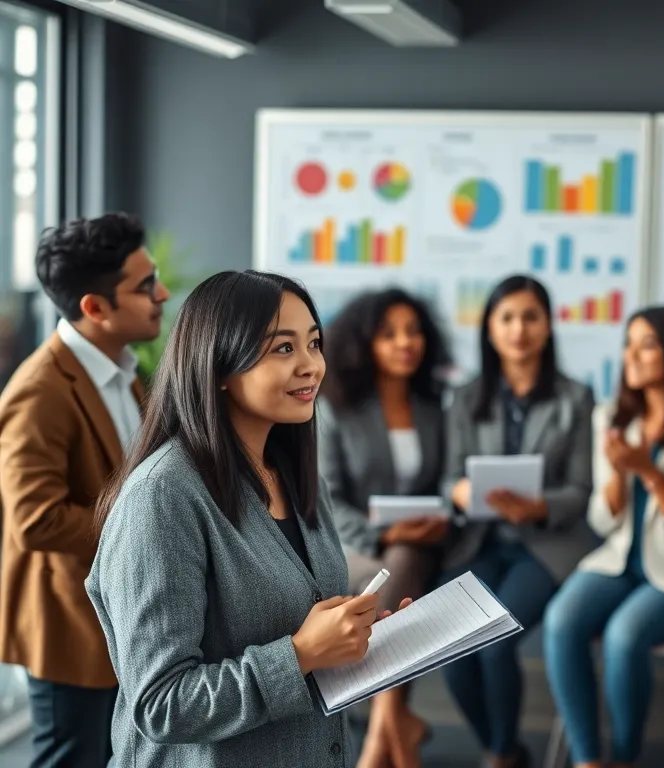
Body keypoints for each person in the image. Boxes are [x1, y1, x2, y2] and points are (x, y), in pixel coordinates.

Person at [85, 270, 409, 767]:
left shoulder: (299, 479)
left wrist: (357, 636)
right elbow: (162, 705)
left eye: (314, 344)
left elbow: (303, 630)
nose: (311, 366)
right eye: (283, 349)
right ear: (218, 366)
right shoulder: (162, 497)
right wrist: (301, 653)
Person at [0, 213, 169, 768]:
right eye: (145, 287)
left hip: (120, 614)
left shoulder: (124, 368)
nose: (162, 293)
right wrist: (141, 532)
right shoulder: (40, 391)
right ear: (95, 308)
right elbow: (35, 521)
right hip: (70, 623)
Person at [544, 307, 664, 768]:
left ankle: (625, 759)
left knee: (624, 634)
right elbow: (602, 521)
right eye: (628, 343)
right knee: (561, 621)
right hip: (619, 563)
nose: (630, 355)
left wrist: (649, 472)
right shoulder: (611, 417)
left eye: (645, 344)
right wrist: (616, 475)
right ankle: (589, 760)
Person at [443, 275, 595, 768]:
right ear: (489, 328)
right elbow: (449, 480)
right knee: (454, 649)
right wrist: (462, 493)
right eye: (507, 318)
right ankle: (502, 746)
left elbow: (580, 492)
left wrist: (539, 506)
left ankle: (501, 756)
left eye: (531, 317)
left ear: (548, 326)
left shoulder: (575, 398)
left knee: (493, 641)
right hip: (482, 541)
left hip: (547, 544)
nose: (519, 329)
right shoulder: (466, 398)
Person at [319, 287, 451, 768]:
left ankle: (382, 730)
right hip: (355, 544)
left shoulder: (436, 408)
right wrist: (385, 535)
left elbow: (448, 481)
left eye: (414, 331)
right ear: (363, 343)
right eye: (389, 333)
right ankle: (393, 724)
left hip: (422, 547)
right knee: (397, 566)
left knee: (406, 563)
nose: (405, 342)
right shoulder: (335, 407)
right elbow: (326, 495)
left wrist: (438, 522)